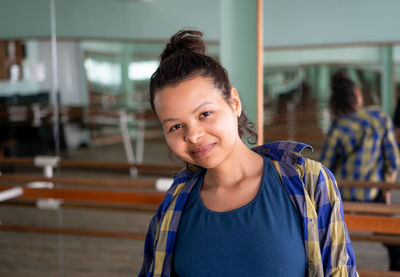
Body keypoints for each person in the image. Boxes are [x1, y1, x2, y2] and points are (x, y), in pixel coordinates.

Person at [139, 30, 358, 277]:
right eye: (175, 126)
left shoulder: (309, 182)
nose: (193, 135)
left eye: (205, 114)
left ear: (234, 102)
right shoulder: (175, 203)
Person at [320, 71, 400, 270]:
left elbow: (325, 167)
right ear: (357, 94)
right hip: (374, 192)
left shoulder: (337, 127)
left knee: (332, 239)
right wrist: (386, 189)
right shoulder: (379, 116)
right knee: (394, 243)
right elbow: (393, 160)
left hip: (344, 198)